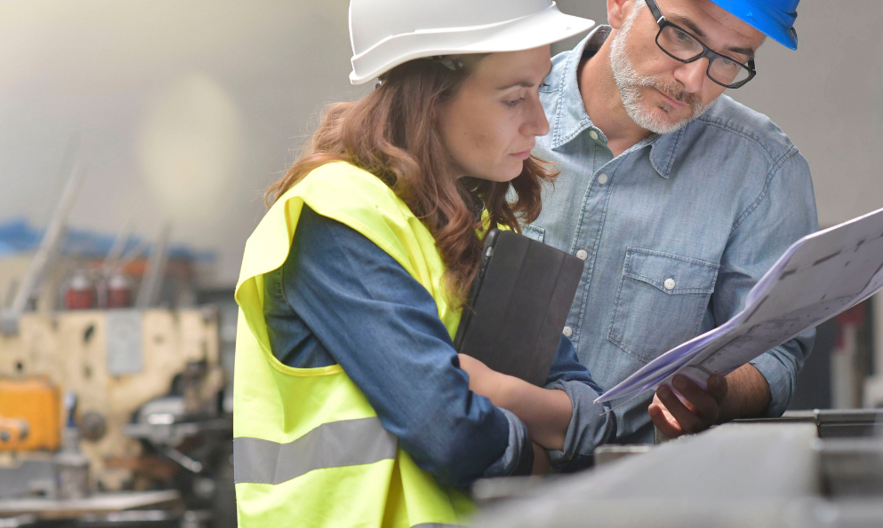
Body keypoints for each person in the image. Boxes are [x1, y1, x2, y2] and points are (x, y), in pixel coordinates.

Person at [231, 1, 608, 526]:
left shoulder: (474, 226)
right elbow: (448, 430)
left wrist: (499, 393)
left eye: (540, 91)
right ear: (430, 98)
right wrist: (538, 458)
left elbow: (591, 412)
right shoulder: (337, 216)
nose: (539, 123)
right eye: (514, 97)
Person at [526, 0, 817, 443]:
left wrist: (720, 393)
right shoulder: (498, 109)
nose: (693, 80)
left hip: (642, 501)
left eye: (730, 60)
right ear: (620, 5)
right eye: (681, 35)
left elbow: (774, 353)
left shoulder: (764, 171)